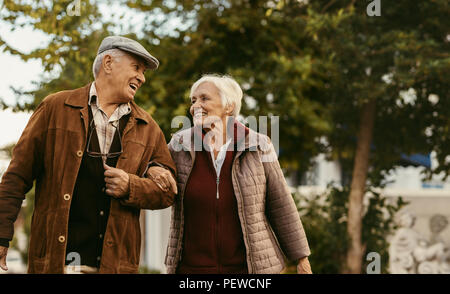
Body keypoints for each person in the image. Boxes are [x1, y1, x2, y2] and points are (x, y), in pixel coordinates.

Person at [0, 36, 176, 274]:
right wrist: (2, 234)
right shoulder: (55, 108)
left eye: (143, 72)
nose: (142, 78)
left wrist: (131, 187)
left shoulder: (148, 127)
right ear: (108, 63)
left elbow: (168, 192)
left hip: (115, 268)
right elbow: (17, 176)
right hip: (56, 264)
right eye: (136, 68)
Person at [148, 74, 312, 274]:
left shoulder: (259, 145)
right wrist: (152, 168)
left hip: (248, 270)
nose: (195, 106)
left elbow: (281, 204)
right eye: (193, 100)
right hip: (192, 270)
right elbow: (156, 165)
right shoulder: (179, 144)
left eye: (204, 98)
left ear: (229, 106)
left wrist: (301, 258)